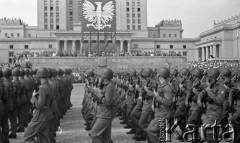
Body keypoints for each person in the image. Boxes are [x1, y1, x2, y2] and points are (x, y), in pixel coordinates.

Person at [24, 67, 53, 143]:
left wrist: (33, 98)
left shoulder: (42, 88)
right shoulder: (49, 86)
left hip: (40, 115)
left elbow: (39, 105)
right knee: (44, 138)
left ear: (38, 76)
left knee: (27, 137)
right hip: (47, 114)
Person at [89, 68, 116, 143]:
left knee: (94, 134)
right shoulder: (105, 85)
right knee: (106, 138)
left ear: (104, 77)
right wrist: (94, 92)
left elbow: (107, 102)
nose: (99, 78)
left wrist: (98, 93)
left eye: (101, 76)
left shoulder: (110, 86)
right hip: (102, 112)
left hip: (105, 114)